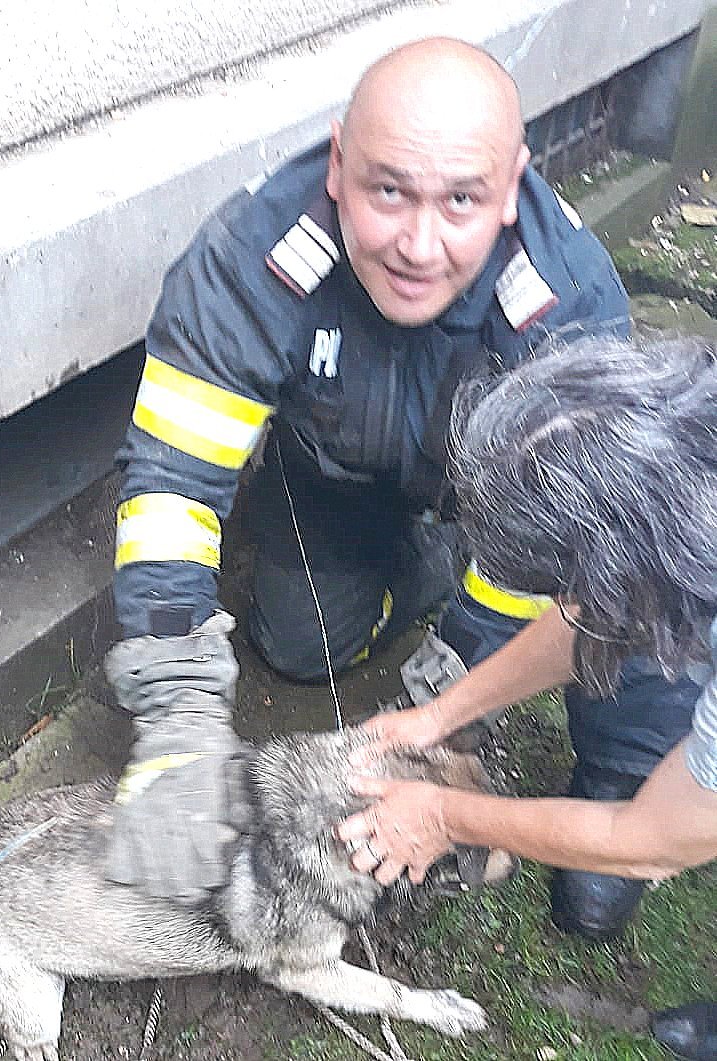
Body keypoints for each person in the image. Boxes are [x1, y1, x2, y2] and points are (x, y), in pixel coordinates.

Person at [103, 35, 643, 915]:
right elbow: (170, 487)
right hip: (336, 474)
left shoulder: (566, 311)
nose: (418, 246)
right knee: (295, 648)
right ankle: (415, 568)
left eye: (462, 200)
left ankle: (617, 769)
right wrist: (176, 708)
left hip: (488, 504)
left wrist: (452, 694)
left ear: (511, 186)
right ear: (337, 163)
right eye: (386, 190)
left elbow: (557, 557)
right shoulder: (249, 260)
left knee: (579, 556)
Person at [337, 334, 717, 1060]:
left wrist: (447, 815)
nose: (568, 602)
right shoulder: (678, 457)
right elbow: (590, 616)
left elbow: (649, 841)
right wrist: (442, 713)